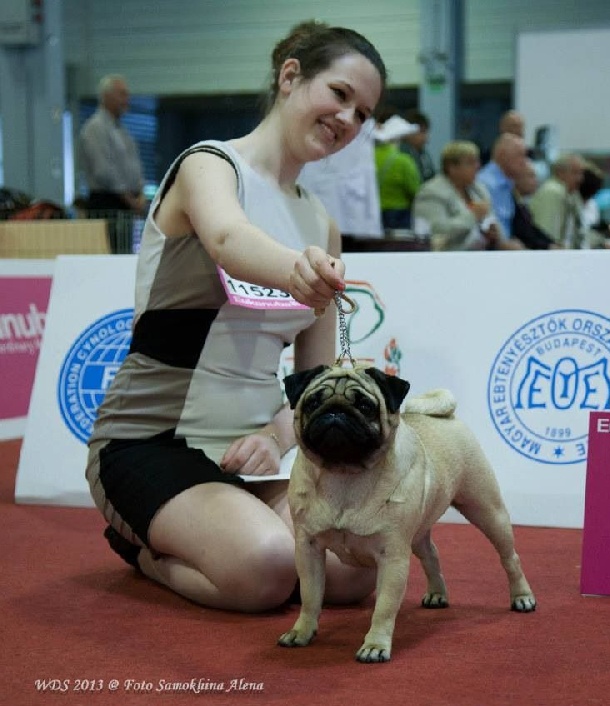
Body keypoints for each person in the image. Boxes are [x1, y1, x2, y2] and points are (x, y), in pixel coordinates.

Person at [84, 21, 387, 612]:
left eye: (364, 113)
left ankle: (226, 525)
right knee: (269, 568)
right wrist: (297, 269)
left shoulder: (321, 223)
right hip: (148, 442)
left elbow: (315, 380)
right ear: (290, 76)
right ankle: (140, 550)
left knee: (354, 571)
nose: (348, 119)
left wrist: (274, 440)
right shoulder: (207, 165)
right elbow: (227, 236)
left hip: (248, 457)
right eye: (340, 94)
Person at [78, 74, 146, 253]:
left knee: (123, 253)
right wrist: (130, 200)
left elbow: (134, 166)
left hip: (126, 206)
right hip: (107, 204)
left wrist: (140, 194)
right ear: (107, 96)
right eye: (122, 94)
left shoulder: (122, 131)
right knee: (109, 255)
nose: (127, 99)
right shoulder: (94, 129)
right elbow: (103, 171)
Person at [411, 140, 502, 250]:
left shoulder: (479, 189)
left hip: (480, 254)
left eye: (477, 161)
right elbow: (436, 232)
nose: (477, 166)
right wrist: (472, 216)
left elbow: (492, 220)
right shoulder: (431, 193)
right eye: (470, 162)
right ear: (452, 168)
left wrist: (493, 233)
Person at [476, 133, 529, 248]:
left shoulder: (508, 183)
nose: (525, 162)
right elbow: (487, 224)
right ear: (502, 155)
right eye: (520, 156)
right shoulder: (485, 183)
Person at [373, 108, 422, 231]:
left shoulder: (369, 157)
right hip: (399, 215)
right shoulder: (403, 161)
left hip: (374, 213)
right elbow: (415, 191)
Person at [528, 153, 586, 248]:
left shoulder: (571, 195)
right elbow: (547, 233)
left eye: (581, 173)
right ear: (560, 172)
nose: (580, 179)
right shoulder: (552, 192)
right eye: (575, 172)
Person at [510, 159, 560, 250]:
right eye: (531, 176)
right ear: (516, 178)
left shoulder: (522, 203)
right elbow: (524, 233)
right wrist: (548, 246)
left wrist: (552, 243)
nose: (535, 181)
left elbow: (533, 229)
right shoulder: (512, 203)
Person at [399, 109, 436, 182]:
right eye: (422, 132)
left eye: (426, 133)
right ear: (408, 132)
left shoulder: (423, 154)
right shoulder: (401, 153)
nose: (425, 138)